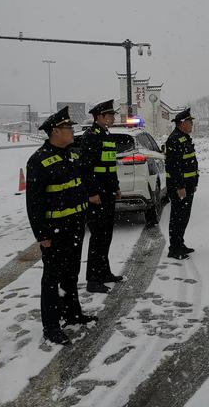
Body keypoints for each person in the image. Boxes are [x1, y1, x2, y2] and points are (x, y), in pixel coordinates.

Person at [26, 106, 97, 346]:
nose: (72, 131)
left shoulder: (73, 154)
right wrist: (42, 234)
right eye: (68, 127)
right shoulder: (39, 161)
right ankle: (51, 326)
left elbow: (80, 186)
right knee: (52, 278)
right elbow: (34, 203)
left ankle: (72, 313)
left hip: (75, 227)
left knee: (71, 273)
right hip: (54, 233)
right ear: (55, 131)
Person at [80, 99, 123, 293]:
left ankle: (104, 272)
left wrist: (116, 187)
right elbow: (87, 168)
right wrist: (92, 193)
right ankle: (93, 279)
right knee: (98, 236)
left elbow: (110, 166)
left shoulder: (106, 135)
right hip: (98, 194)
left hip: (108, 192)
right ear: (99, 117)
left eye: (113, 115)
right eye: (110, 115)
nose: (113, 118)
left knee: (106, 235)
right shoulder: (91, 136)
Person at [165, 108, 199, 260]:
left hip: (188, 185)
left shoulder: (184, 138)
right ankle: (174, 248)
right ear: (182, 123)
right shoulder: (174, 140)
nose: (192, 125)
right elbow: (174, 166)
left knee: (184, 217)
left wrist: (193, 182)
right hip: (180, 187)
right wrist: (180, 187)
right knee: (178, 217)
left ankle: (180, 243)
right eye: (190, 122)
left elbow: (190, 163)